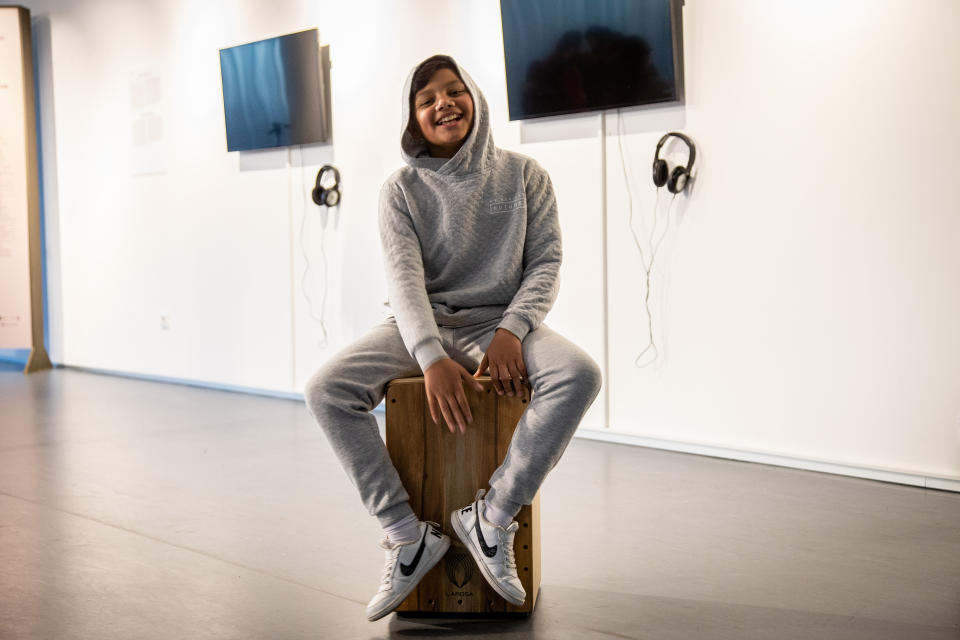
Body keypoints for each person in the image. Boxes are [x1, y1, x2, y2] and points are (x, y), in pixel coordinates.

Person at [304, 54, 602, 622]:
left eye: (453, 90)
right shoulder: (401, 189)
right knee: (326, 390)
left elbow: (546, 263)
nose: (443, 103)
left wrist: (513, 329)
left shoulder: (523, 175)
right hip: (421, 325)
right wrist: (431, 357)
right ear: (413, 119)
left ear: (475, 99)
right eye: (427, 99)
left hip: (500, 324)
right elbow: (405, 281)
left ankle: (492, 519)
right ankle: (405, 535)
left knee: (579, 373)